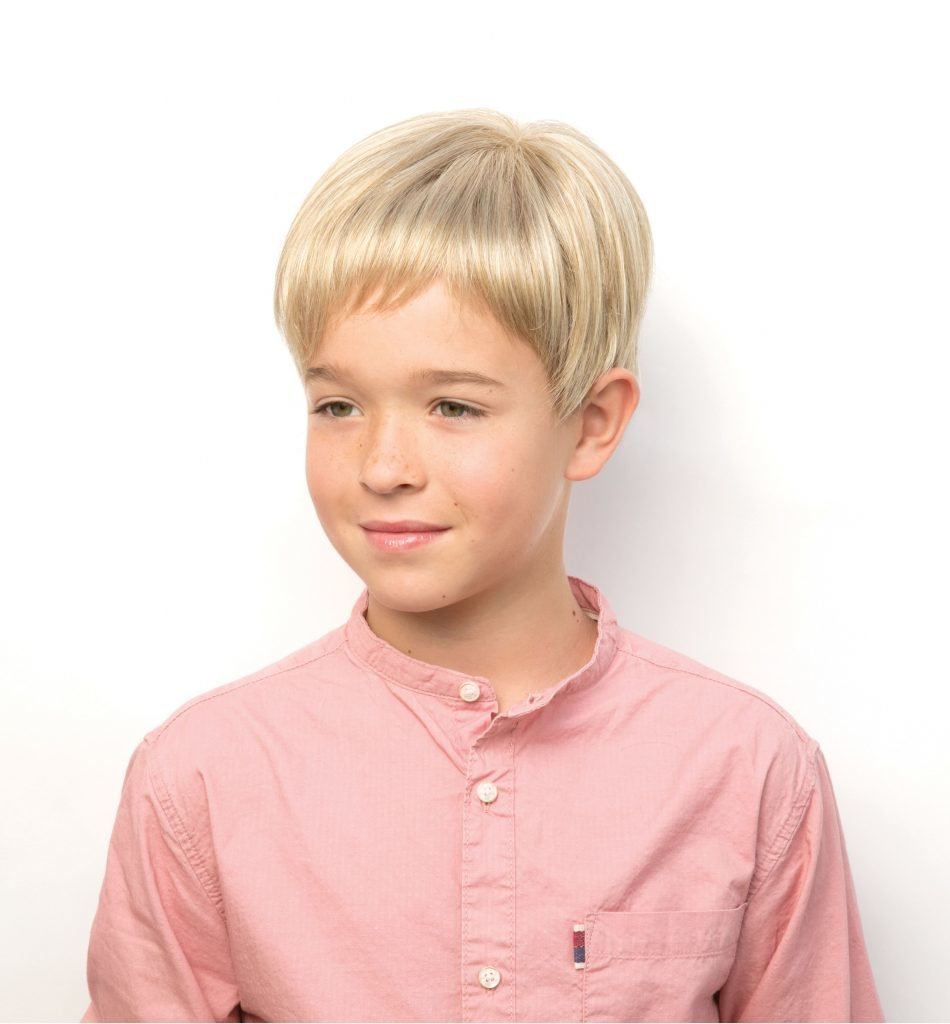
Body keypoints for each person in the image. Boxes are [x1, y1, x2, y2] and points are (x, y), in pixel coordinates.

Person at [80, 108, 884, 1023]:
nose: (384, 467)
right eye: (338, 405)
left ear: (592, 424)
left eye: (453, 408)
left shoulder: (749, 770)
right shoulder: (201, 779)